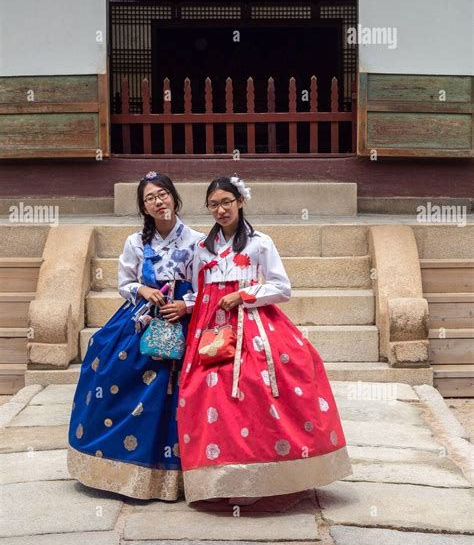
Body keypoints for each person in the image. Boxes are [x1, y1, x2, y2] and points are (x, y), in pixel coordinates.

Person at [177, 175, 352, 505]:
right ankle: (223, 478)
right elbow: (199, 291)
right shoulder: (201, 248)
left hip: (254, 326)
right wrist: (185, 306)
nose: (220, 210)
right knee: (207, 391)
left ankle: (261, 478)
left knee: (253, 388)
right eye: (213, 204)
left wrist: (244, 295)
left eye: (226, 202)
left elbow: (282, 288)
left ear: (240, 202)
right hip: (212, 330)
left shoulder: (260, 243)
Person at [67, 172, 203, 501]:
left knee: (175, 390)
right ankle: (121, 468)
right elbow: (124, 284)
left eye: (163, 195)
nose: (158, 202)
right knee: (104, 360)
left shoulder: (198, 241)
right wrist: (142, 288)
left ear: (174, 197)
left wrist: (185, 307)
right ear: (144, 207)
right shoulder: (135, 242)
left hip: (180, 320)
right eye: (150, 198)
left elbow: (204, 290)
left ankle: (176, 476)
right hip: (141, 317)